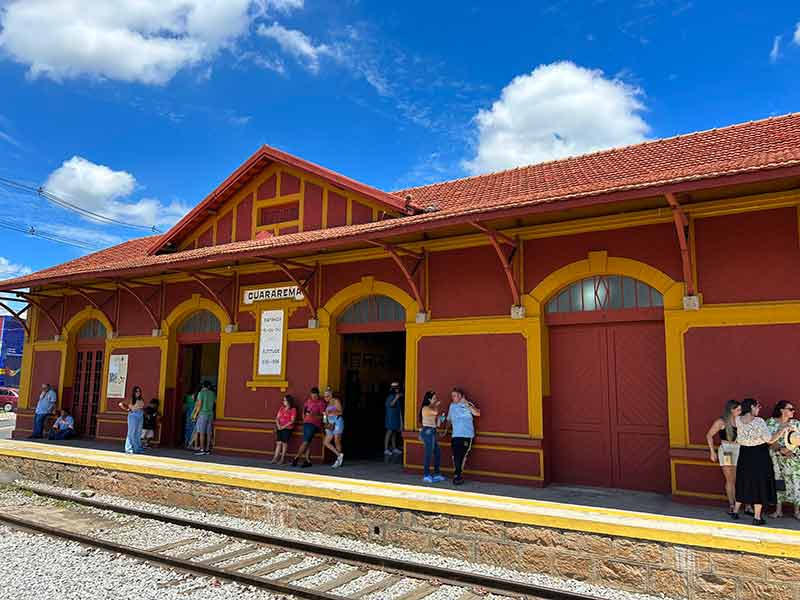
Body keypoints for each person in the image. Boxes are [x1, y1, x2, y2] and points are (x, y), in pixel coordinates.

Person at [731, 398, 795, 525]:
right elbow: (770, 440)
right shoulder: (759, 421)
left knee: (744, 480)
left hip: (744, 454)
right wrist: (782, 430)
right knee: (759, 483)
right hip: (759, 455)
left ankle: (736, 511)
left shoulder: (738, 419)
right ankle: (757, 517)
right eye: (757, 407)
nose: (759, 409)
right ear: (752, 407)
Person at [705, 400, 742, 513]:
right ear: (731, 410)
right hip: (727, 450)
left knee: (738, 478)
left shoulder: (740, 420)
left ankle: (739, 504)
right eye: (738, 409)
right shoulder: (721, 421)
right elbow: (709, 435)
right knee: (730, 479)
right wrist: (712, 452)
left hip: (739, 449)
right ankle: (732, 504)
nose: (740, 412)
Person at [766, 400, 800, 519]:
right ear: (781, 410)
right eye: (790, 409)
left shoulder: (796, 424)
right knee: (779, 482)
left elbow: (798, 441)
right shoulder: (770, 422)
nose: (793, 411)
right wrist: (781, 450)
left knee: (795, 482)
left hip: (793, 459)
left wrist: (790, 450)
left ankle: (797, 511)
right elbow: (769, 440)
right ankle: (778, 510)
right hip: (777, 458)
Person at [446, 388, 480, 485]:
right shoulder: (452, 406)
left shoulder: (468, 404)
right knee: (455, 456)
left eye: (455, 395)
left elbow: (477, 413)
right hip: (455, 435)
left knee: (462, 456)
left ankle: (458, 474)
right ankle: (458, 474)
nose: (452, 397)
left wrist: (467, 404)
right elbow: (449, 420)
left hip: (466, 435)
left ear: (461, 396)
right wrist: (445, 430)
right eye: (452, 395)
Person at [292, 387, 326, 468]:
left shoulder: (321, 403)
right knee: (308, 442)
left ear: (318, 395)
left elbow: (324, 416)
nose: (314, 397)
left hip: (314, 424)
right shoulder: (308, 401)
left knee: (306, 441)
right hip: (306, 423)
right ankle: (307, 460)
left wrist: (314, 416)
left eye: (315, 396)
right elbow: (304, 410)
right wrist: (304, 417)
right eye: (312, 396)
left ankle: (296, 458)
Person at [420, 391, 446, 483]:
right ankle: (426, 475)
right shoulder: (425, 408)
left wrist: (441, 419)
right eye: (434, 398)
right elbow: (435, 412)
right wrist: (436, 405)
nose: (436, 400)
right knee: (428, 453)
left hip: (433, 431)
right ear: (429, 399)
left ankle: (437, 474)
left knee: (437, 452)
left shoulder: (431, 408)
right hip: (427, 432)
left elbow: (436, 423)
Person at [118, 386, 145, 454]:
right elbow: (120, 404)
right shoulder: (131, 399)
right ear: (134, 392)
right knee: (131, 433)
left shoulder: (141, 399)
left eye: (139, 391)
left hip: (140, 415)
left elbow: (141, 407)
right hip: (133, 415)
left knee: (138, 433)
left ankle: (137, 448)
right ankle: (128, 449)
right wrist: (127, 409)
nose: (138, 393)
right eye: (136, 391)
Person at [322, 387, 345, 468]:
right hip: (330, 424)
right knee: (326, 442)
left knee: (336, 441)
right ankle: (339, 455)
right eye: (324, 396)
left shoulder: (336, 401)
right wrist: (325, 418)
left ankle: (338, 460)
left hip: (338, 422)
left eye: (327, 396)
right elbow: (326, 416)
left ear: (331, 395)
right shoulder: (327, 404)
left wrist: (331, 412)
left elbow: (340, 411)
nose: (326, 398)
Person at [191, 381, 216, 456]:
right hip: (210, 414)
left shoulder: (201, 393)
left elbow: (199, 405)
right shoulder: (212, 393)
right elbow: (215, 402)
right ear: (209, 386)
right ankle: (207, 449)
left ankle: (202, 449)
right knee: (208, 433)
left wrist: (195, 415)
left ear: (203, 386)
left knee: (201, 433)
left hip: (203, 414)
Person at [271, 394, 296, 465]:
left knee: (284, 443)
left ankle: (282, 458)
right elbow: (277, 418)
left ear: (288, 401)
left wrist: (283, 426)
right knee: (278, 443)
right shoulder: (281, 408)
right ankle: (275, 458)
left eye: (284, 400)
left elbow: (292, 421)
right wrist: (278, 425)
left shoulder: (293, 409)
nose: (283, 402)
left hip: (287, 428)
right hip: (280, 427)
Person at [384, 382, 404, 456]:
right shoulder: (390, 396)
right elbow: (391, 404)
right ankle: (386, 449)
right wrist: (397, 397)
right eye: (396, 388)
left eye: (398, 388)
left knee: (394, 432)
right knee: (389, 432)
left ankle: (394, 447)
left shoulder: (396, 396)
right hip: (390, 417)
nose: (397, 389)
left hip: (395, 417)